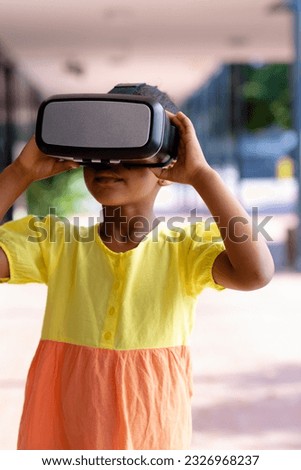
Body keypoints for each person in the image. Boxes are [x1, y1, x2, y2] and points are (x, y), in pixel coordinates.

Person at [0, 83, 274, 450]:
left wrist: (203, 176)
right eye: (99, 151)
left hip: (152, 437)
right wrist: (21, 171)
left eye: (129, 150)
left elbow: (255, 273)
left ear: (167, 163)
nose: (109, 164)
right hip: (60, 440)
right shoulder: (55, 242)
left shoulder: (185, 248)